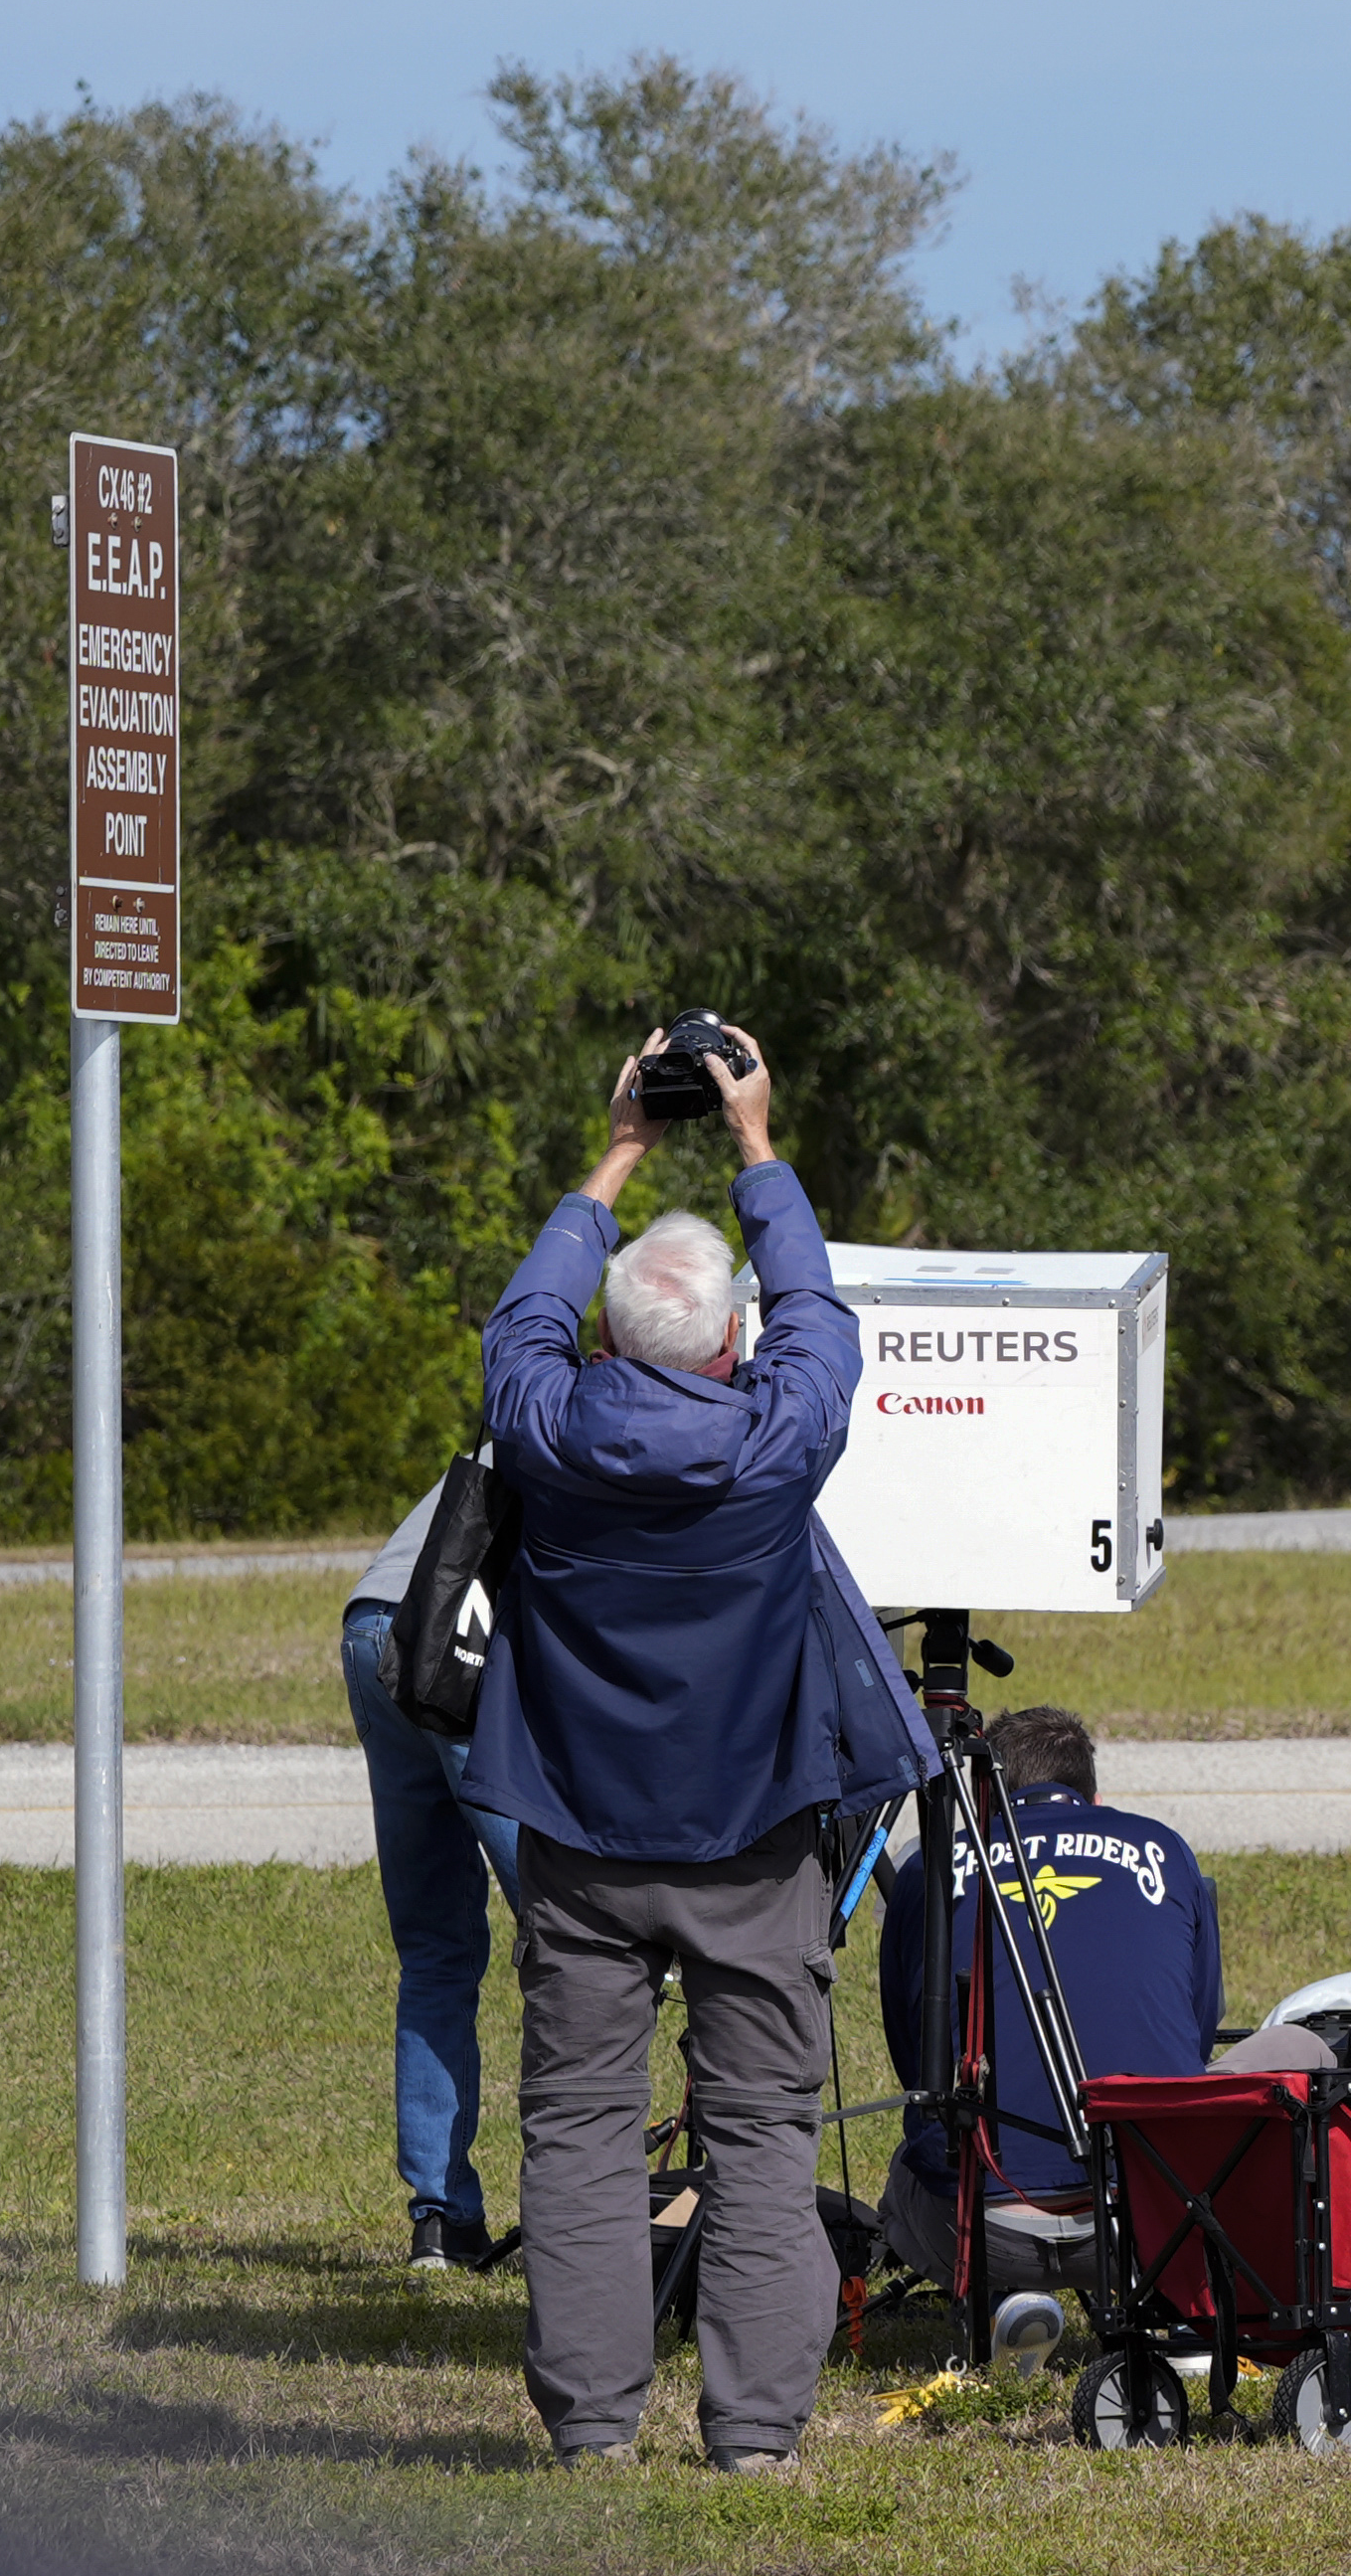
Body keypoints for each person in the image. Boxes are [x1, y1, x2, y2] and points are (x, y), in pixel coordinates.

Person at [466, 1022, 931, 2478]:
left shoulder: (546, 1424)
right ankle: (753, 2439)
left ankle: (595, 2430)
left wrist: (617, 1147)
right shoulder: (773, 1438)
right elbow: (819, 1315)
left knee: (582, 2140)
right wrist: (755, 1145)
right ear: (729, 1345)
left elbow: (514, 1328)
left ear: (606, 1339)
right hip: (755, 1838)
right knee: (763, 2138)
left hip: (582, 1839)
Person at [871, 1708, 1222, 2316]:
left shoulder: (928, 1867)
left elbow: (916, 2063)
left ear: (984, 1802)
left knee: (908, 2167)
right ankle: (1166, 2302)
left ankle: (1003, 2305)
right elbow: (1198, 2029)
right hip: (1149, 2224)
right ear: (1096, 1797)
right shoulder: (1163, 1848)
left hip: (979, 2230)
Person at [340, 1473, 526, 2275]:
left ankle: (442, 2220)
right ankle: (579, 2214)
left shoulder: (543, 1393)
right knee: (578, 1941)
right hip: (452, 1627)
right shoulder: (628, 1416)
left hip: (373, 1619)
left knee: (437, 1947)